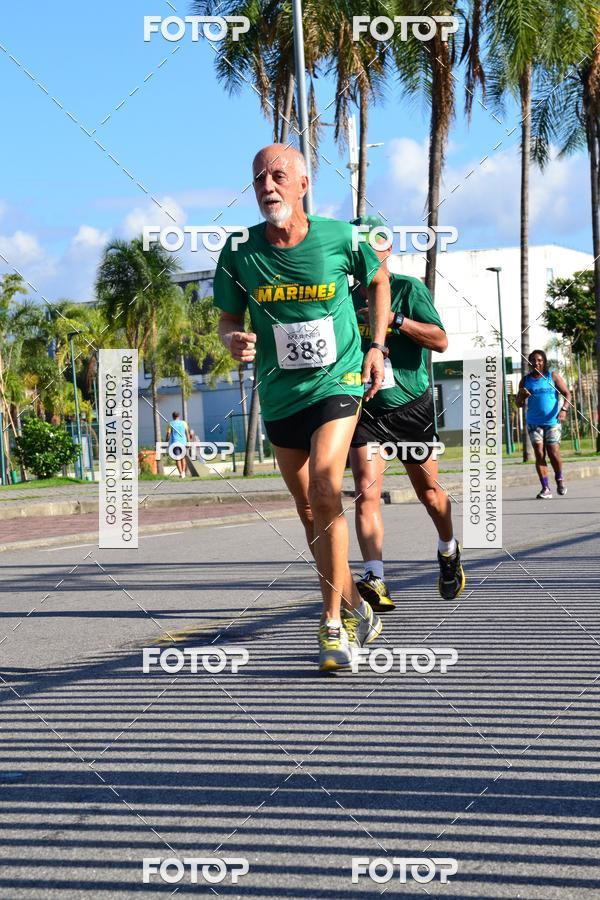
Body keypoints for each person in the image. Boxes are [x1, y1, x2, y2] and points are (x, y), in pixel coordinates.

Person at [213, 143, 391, 671]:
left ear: (303, 184)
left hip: (337, 382)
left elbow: (379, 281)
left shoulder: (341, 237)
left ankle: (332, 624)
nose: (268, 185)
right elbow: (227, 320)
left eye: (278, 175)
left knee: (324, 485)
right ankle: (359, 606)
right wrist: (233, 342)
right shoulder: (240, 249)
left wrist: (377, 347)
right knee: (308, 509)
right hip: (279, 392)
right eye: (259, 178)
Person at [349, 216, 466, 609]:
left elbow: (441, 340)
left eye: (372, 247)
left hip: (412, 409)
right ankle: (375, 577)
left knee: (430, 494)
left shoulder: (408, 289)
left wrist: (395, 321)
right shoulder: (345, 298)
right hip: (368, 413)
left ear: (386, 250)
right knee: (366, 492)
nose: (365, 254)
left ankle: (448, 550)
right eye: (358, 248)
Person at [516, 349, 571, 499]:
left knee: (553, 453)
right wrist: (521, 396)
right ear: (530, 363)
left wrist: (564, 409)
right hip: (534, 423)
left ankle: (559, 479)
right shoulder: (525, 380)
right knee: (539, 454)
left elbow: (567, 393)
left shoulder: (552, 376)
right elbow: (518, 403)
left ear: (544, 362)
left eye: (539, 360)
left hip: (552, 421)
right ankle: (545, 488)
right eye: (533, 360)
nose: (536, 363)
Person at [166, 411, 191, 479]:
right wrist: (188, 442)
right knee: (183, 457)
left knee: (177, 458)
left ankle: (181, 473)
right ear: (179, 416)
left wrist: (166, 441)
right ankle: (183, 472)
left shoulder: (170, 424)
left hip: (175, 443)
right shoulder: (184, 423)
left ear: (173, 416)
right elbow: (187, 433)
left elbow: (168, 435)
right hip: (183, 442)